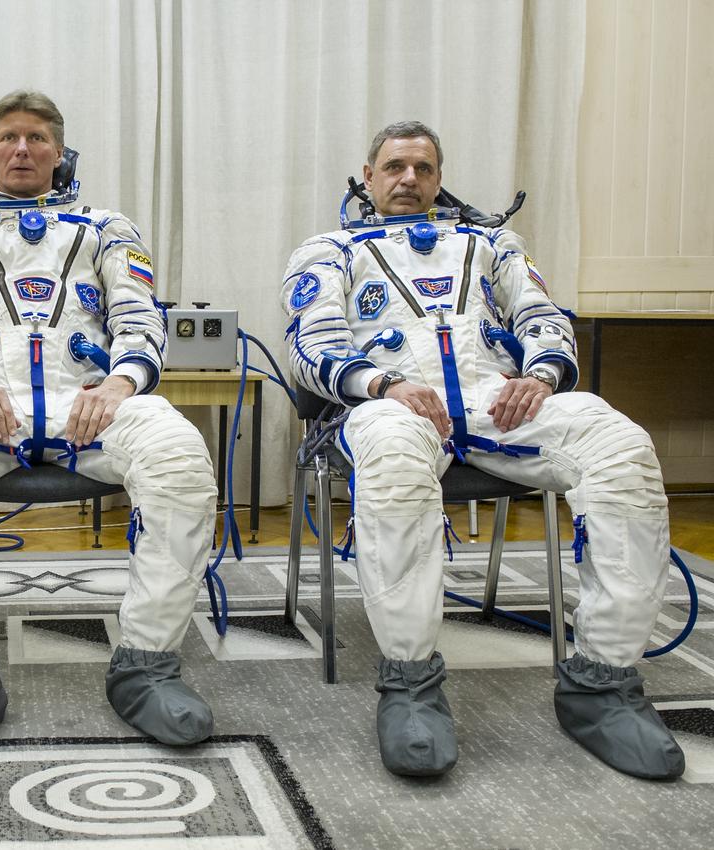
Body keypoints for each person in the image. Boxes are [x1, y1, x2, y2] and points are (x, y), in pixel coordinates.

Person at [279, 121, 684, 780]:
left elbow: (544, 318)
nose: (409, 179)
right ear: (369, 176)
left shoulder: (492, 243)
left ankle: (602, 684)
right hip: (392, 403)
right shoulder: (328, 250)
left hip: (498, 400)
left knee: (621, 445)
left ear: (439, 178)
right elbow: (311, 343)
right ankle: (410, 682)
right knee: (393, 456)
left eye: (423, 168)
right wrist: (382, 383)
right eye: (395, 167)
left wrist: (543, 375)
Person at [0, 90, 218, 766]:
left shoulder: (105, 229)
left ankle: (146, 666)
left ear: (60, 153)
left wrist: (120, 383)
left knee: (181, 457)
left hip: (87, 401)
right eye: (8, 137)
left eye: (37, 138)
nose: (22, 149)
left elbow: (140, 321)